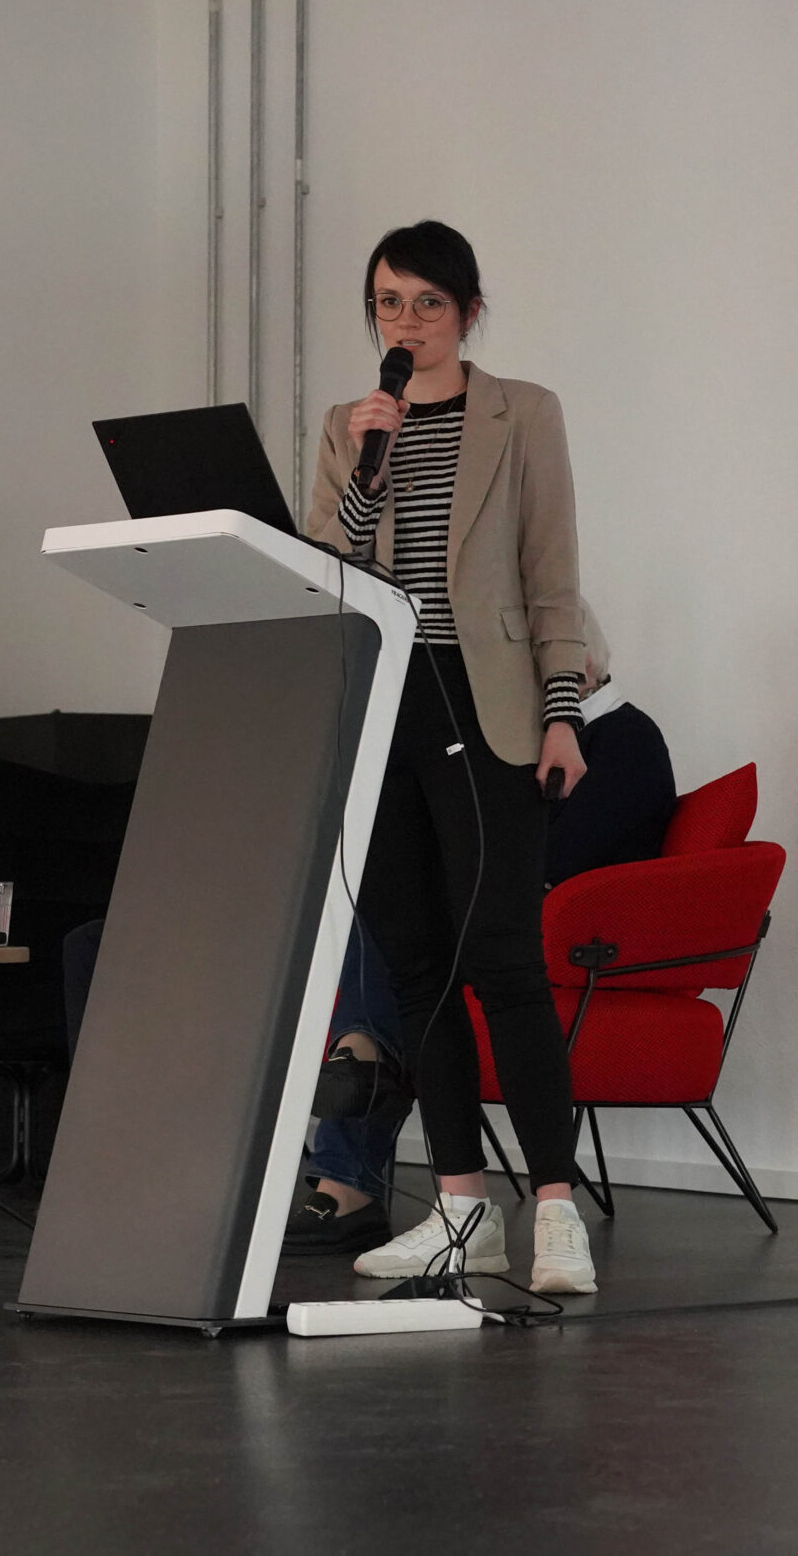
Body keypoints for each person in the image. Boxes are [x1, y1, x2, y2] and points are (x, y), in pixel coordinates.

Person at [302, 219, 600, 1294]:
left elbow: (550, 576)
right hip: (384, 709)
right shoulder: (350, 427)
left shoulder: (524, 413)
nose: (406, 323)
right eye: (387, 303)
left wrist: (561, 713)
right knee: (419, 973)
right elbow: (323, 564)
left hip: (492, 713)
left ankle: (556, 1213)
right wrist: (365, 470)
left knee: (505, 966)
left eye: (428, 302)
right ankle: (461, 1207)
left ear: (469, 311)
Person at [286, 617, 675, 1256]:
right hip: (516, 911)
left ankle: (353, 1122)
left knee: (394, 948)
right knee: (381, 925)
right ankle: (355, 1084)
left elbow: (565, 853)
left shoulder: (624, 736)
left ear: (573, 672)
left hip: (573, 936)